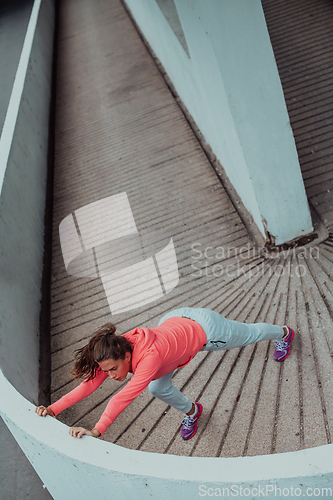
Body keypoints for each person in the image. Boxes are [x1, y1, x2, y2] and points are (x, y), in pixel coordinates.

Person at [35, 307, 294, 441]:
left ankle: (284, 333)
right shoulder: (118, 348)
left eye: (113, 369)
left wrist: (97, 430)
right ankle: (193, 411)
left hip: (206, 329)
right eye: (107, 371)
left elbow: (121, 398)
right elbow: (88, 386)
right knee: (157, 388)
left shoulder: (148, 359)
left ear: (127, 357)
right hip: (175, 321)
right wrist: (53, 409)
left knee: (250, 334)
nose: (110, 376)